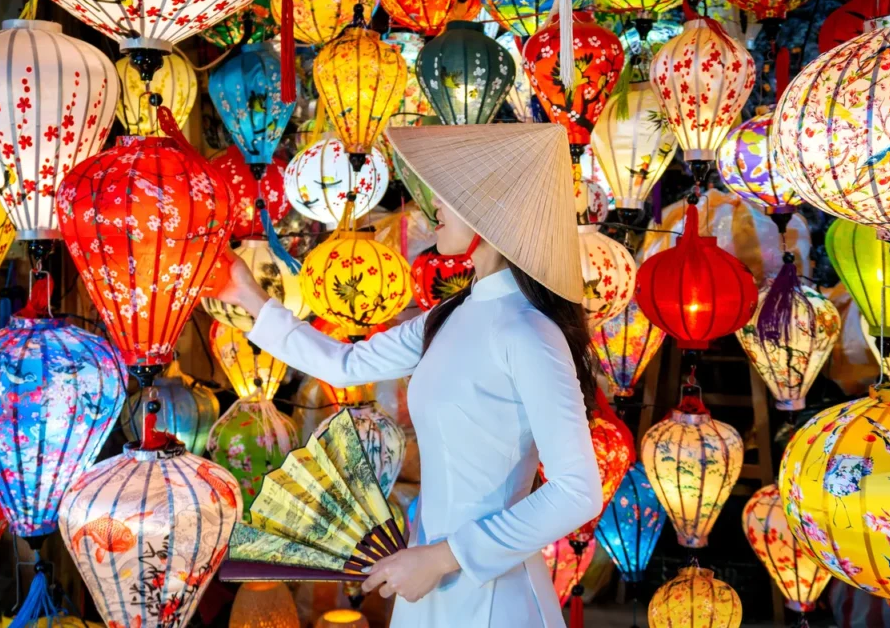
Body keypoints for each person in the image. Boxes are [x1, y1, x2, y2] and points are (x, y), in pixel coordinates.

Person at [215, 124, 602, 627]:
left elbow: (577, 491)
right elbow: (344, 364)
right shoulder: (452, 314)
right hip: (427, 577)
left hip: (490, 595)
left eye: (451, 192)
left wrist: (442, 557)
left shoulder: (528, 331)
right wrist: (247, 294)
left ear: (492, 211)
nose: (433, 203)